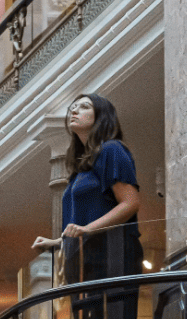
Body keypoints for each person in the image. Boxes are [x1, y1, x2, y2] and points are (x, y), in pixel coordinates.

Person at [33, 94, 143, 319]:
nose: (74, 111)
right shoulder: (80, 170)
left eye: (83, 107)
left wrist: (88, 229)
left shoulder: (112, 150)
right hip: (84, 259)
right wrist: (59, 241)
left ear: (101, 116)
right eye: (72, 108)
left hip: (112, 254)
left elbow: (130, 203)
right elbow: (81, 221)